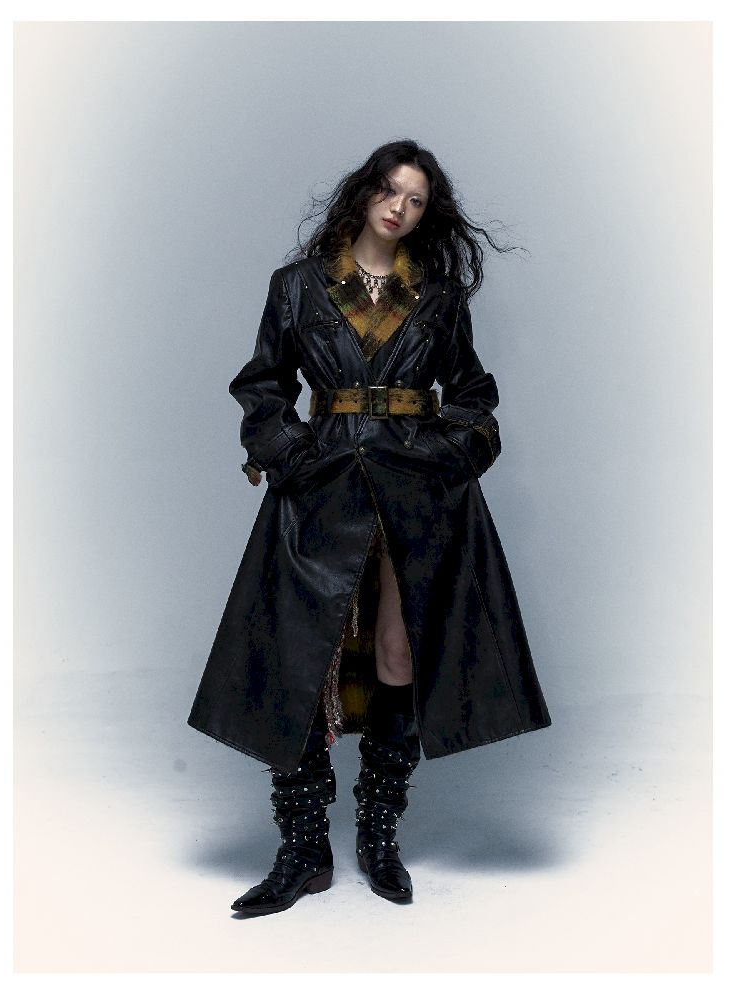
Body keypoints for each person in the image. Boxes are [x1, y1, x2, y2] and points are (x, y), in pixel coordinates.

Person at [187, 139, 552, 916]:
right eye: (390, 190)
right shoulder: (298, 287)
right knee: (301, 661)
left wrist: (455, 455)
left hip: (413, 491)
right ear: (364, 192)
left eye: (416, 200)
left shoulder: (439, 297)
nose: (399, 208)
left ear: (425, 214)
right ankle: (302, 850)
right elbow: (263, 387)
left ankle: (379, 834)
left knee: (398, 651)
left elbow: (474, 395)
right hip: (322, 491)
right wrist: (291, 456)